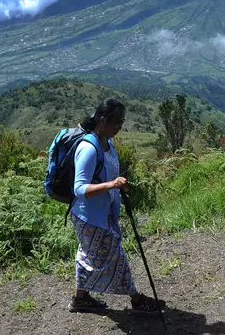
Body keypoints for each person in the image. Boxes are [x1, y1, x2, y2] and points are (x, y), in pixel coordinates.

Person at [67, 98, 164, 315]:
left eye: (122, 122)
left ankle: (80, 299)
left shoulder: (107, 143)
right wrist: (112, 184)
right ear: (102, 120)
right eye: (117, 123)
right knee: (116, 256)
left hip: (102, 214)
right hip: (89, 217)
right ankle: (137, 300)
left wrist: (116, 187)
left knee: (88, 255)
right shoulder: (89, 148)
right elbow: (80, 189)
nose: (120, 127)